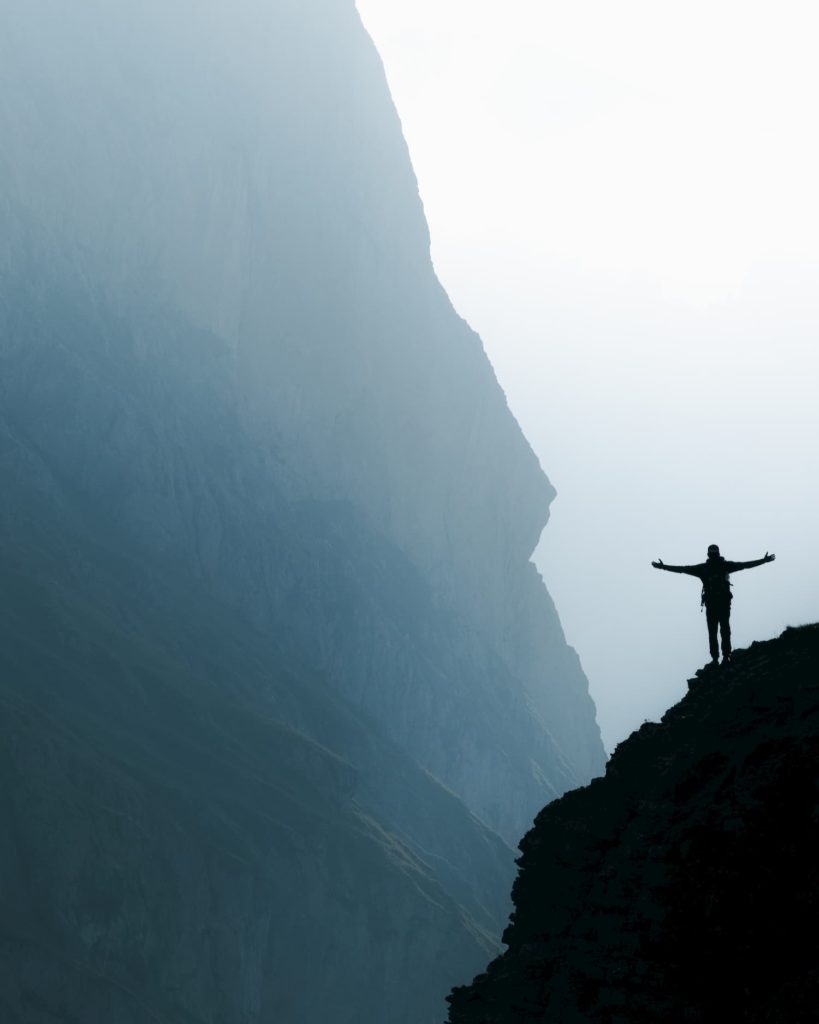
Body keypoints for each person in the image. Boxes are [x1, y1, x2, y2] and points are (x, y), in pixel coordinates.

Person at [652, 544, 775, 664]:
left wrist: (663, 567)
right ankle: (724, 657)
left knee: (715, 632)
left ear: (708, 554)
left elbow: (682, 569)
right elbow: (745, 565)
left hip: (715, 605)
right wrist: (764, 560)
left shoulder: (704, 568)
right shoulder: (723, 566)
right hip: (720, 604)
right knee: (723, 630)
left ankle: (719, 658)